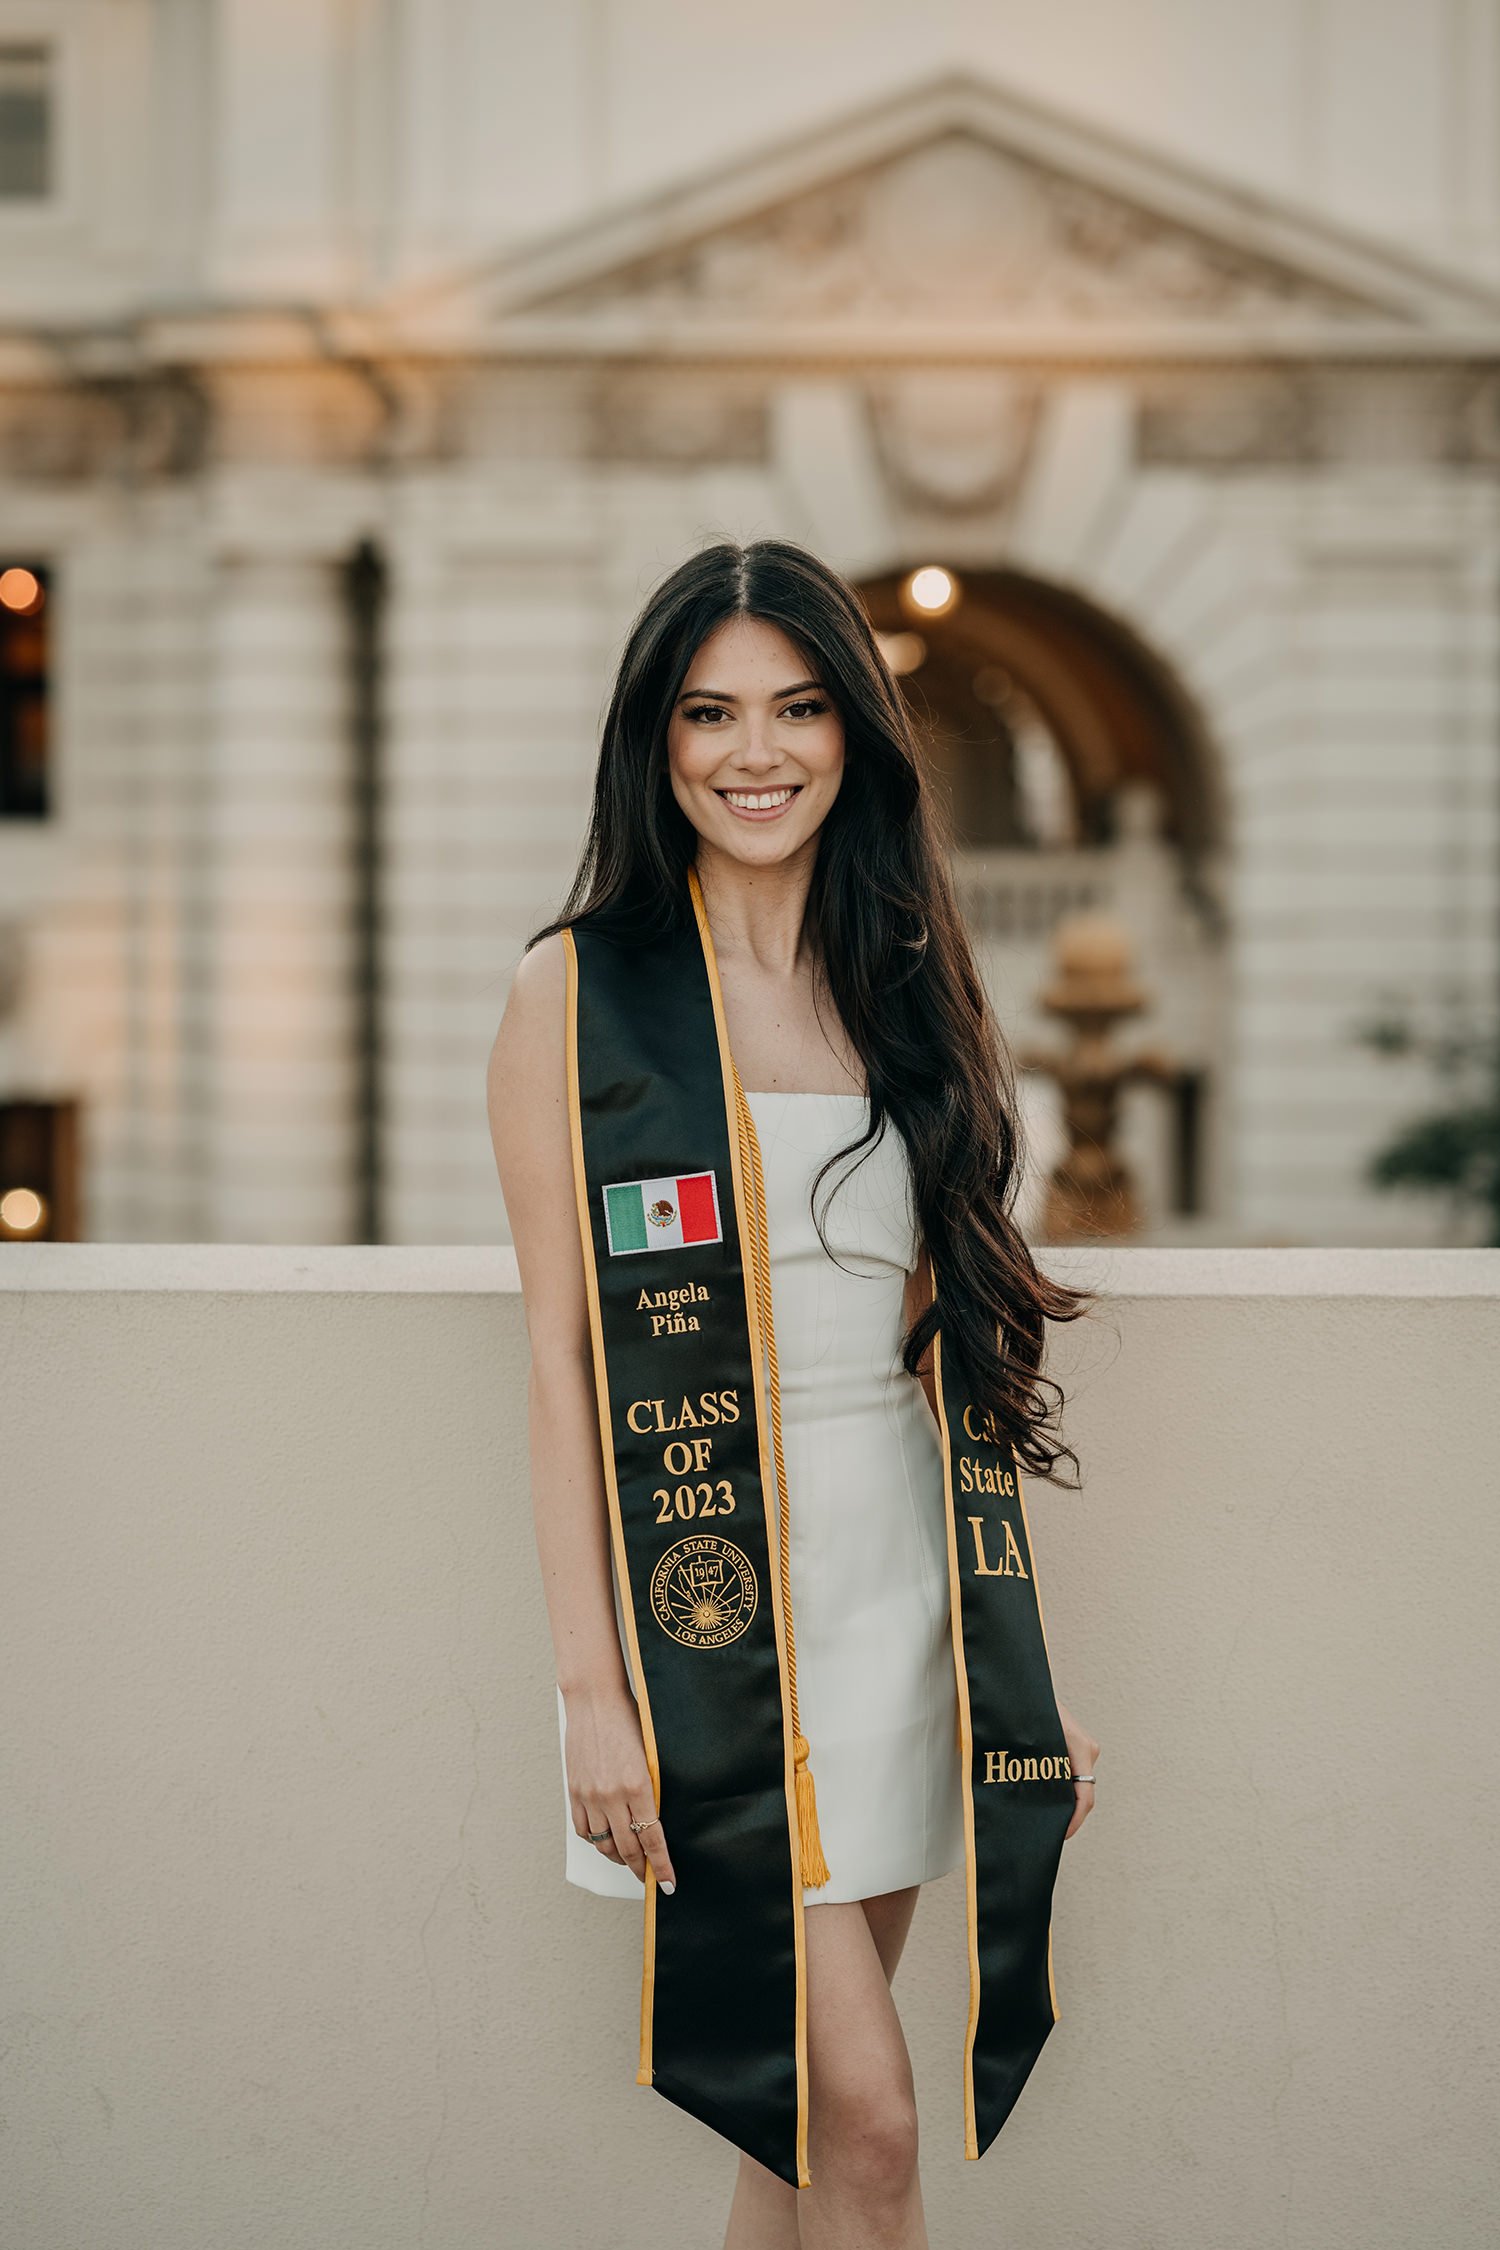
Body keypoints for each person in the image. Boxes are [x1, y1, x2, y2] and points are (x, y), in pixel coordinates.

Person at [488, 537, 1100, 2247]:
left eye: (798, 707)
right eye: (709, 713)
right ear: (654, 741)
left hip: (901, 1593)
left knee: (806, 2138)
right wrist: (593, 1696)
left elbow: (943, 1346)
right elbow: (561, 1366)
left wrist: (1013, 1686)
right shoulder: (580, 995)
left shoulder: (905, 977)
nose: (755, 752)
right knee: (878, 2128)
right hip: (710, 1619)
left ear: (855, 734)